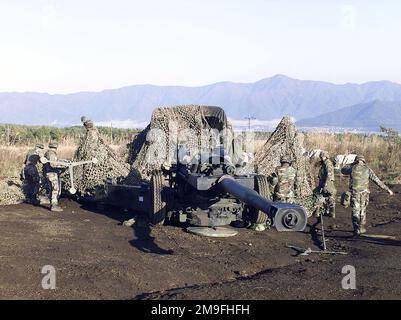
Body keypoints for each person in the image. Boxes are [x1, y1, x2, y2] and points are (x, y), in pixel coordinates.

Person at [342, 155, 393, 236]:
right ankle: (361, 228)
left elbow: (343, 170)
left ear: (356, 161)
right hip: (364, 194)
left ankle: (356, 229)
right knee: (362, 211)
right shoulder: (367, 169)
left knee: (355, 211)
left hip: (355, 193)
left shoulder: (351, 168)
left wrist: (352, 164)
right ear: (363, 161)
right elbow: (377, 181)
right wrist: (387, 189)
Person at [44, 141, 66, 212]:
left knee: (52, 189)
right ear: (56, 146)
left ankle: (52, 204)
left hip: (48, 173)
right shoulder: (51, 154)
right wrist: (63, 165)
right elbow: (53, 164)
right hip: (52, 173)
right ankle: (54, 205)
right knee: (55, 189)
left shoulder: (47, 152)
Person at [316, 151, 337, 218]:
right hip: (323, 182)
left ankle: (331, 212)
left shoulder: (328, 163)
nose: (322, 158)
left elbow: (329, 174)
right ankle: (325, 211)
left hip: (327, 182)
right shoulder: (323, 163)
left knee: (330, 197)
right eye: (321, 156)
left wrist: (326, 184)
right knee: (323, 197)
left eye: (323, 156)